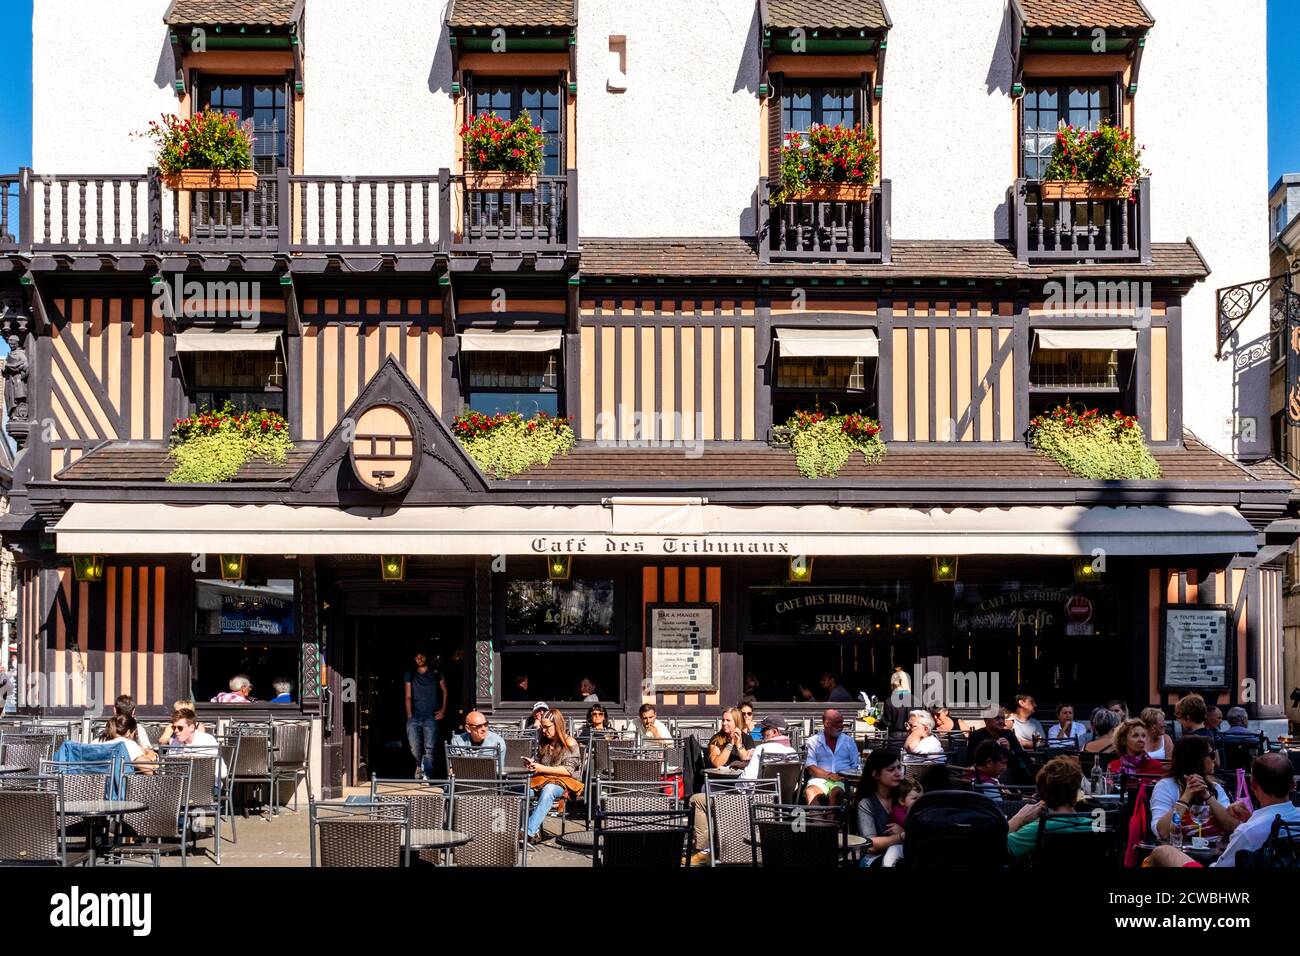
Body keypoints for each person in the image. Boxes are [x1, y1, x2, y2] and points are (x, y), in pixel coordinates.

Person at [1147, 754, 1300, 868]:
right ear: (1293, 785)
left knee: (1162, 852)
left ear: (1253, 785)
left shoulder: (1248, 831)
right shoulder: (1254, 826)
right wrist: (1251, 819)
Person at [1149, 735, 1245, 844]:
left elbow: (1233, 827)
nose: (1215, 760)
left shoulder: (1216, 788)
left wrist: (1208, 797)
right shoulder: (1166, 786)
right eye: (1211, 755)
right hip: (1178, 854)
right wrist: (1186, 797)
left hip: (1214, 854)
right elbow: (1162, 832)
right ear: (1196, 759)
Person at [688, 709, 754, 865]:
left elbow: (747, 759)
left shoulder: (747, 739)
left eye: (728, 720)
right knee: (702, 796)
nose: (724, 723)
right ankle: (704, 849)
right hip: (717, 784)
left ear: (736, 721)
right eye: (723, 720)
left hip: (739, 786)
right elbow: (717, 763)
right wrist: (730, 744)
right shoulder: (716, 739)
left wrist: (738, 744)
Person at [1005, 756, 1093, 859]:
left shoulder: (1036, 830)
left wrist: (1018, 819)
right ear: (1076, 793)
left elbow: (993, 847)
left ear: (1042, 793)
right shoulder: (1095, 825)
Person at [524, 709, 582, 843]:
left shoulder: (570, 742)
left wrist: (541, 768)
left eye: (547, 727)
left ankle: (527, 831)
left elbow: (568, 770)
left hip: (565, 783)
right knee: (521, 789)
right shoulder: (545, 742)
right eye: (542, 727)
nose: (543, 730)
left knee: (549, 790)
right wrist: (533, 764)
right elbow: (539, 762)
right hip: (544, 780)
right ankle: (533, 830)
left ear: (557, 725)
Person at [854, 749, 904, 867]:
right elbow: (870, 845)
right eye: (891, 770)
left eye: (899, 767)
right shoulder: (867, 803)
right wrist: (901, 836)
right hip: (873, 859)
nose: (898, 773)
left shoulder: (904, 796)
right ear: (876, 775)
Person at [404, 651, 447, 780]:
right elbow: (407, 695)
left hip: (430, 716)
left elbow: (445, 691)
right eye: (416, 656)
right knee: (414, 746)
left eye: (422, 655)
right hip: (415, 716)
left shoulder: (436, 673)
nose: (419, 658)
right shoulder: (410, 674)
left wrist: (443, 710)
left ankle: (427, 773)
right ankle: (418, 765)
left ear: (426, 657)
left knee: (430, 747)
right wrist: (409, 714)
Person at [804, 708, 861, 806]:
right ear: (827, 724)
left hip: (843, 780)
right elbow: (811, 768)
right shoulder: (813, 741)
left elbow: (855, 766)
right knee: (811, 793)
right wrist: (830, 776)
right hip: (819, 779)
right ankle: (820, 821)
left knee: (836, 793)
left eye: (842, 722)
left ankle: (829, 820)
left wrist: (845, 778)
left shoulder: (849, 741)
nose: (842, 725)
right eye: (838, 722)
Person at [966, 707, 1032, 784]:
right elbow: (972, 761)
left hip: (1009, 776)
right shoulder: (976, 735)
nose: (1001, 721)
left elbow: (1022, 759)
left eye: (1002, 718)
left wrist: (1009, 750)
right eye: (997, 718)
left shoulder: (1009, 734)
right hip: (985, 778)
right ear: (986, 720)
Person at [740, 714, 797, 780]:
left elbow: (747, 779)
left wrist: (736, 786)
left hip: (763, 789)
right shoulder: (793, 752)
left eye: (764, 729)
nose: (761, 732)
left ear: (774, 732)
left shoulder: (761, 749)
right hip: (787, 790)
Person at [880, 668, 913, 733]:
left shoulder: (889, 701)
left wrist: (877, 724)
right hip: (911, 738)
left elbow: (886, 723)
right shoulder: (915, 700)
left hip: (894, 739)